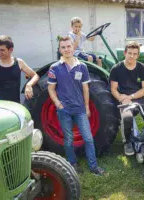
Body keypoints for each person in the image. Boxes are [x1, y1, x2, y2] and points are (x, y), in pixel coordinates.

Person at [47, 36, 106, 176]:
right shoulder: (54, 68)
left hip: (80, 109)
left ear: (73, 47)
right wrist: (58, 104)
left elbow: (85, 89)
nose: (67, 49)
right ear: (60, 50)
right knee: (68, 139)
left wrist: (86, 107)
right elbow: (51, 89)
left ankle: (93, 167)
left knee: (88, 138)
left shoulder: (82, 66)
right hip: (64, 110)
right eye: (63, 47)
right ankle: (72, 163)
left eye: (69, 46)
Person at [110, 41, 144, 156]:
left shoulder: (142, 67)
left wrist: (131, 96)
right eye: (129, 53)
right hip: (125, 99)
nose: (132, 56)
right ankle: (127, 142)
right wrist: (121, 98)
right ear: (125, 53)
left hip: (140, 96)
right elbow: (113, 89)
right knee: (127, 117)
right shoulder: (116, 69)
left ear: (138, 55)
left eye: (134, 54)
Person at [0, 35, 39, 103]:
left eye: (2, 50)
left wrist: (29, 85)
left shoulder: (19, 62)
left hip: (16, 104)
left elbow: (35, 75)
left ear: (11, 50)